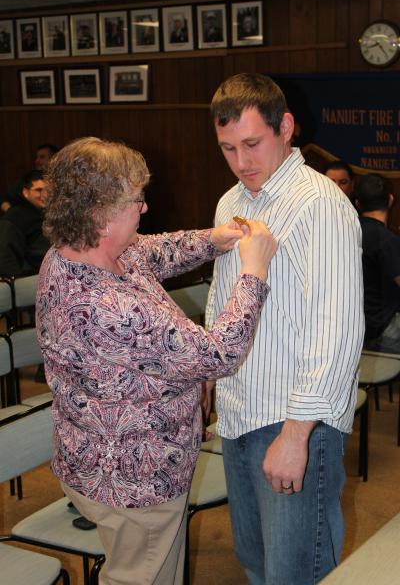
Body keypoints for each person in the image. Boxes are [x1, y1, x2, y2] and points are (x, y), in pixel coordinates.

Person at [36, 136, 277, 585]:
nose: (144, 208)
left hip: (96, 460)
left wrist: (213, 240)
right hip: (135, 485)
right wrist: (254, 271)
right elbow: (217, 354)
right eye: (135, 200)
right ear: (99, 215)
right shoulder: (110, 305)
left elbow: (150, 252)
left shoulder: (74, 253)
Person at [204, 73, 364, 584]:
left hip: (295, 420)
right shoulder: (231, 202)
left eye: (252, 144)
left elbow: (336, 332)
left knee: (297, 572)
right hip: (239, 412)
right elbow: (224, 300)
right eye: (228, 148)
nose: (241, 162)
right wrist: (211, 377)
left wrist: (297, 435)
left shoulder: (320, 204)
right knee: (255, 562)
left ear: (286, 127)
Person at [355, 172, 400, 354]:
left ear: (357, 204)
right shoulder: (387, 240)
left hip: (353, 327)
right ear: (390, 200)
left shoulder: (345, 234)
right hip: (381, 329)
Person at [0, 169, 50, 276]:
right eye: (39, 190)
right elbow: (6, 259)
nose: (45, 195)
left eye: (48, 190)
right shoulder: (15, 217)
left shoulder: (51, 214)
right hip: (28, 281)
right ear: (26, 193)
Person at [1, 143, 59, 212]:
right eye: (37, 157)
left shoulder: (63, 178)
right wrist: (14, 216)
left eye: (42, 157)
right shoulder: (28, 179)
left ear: (54, 159)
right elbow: (4, 200)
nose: (37, 161)